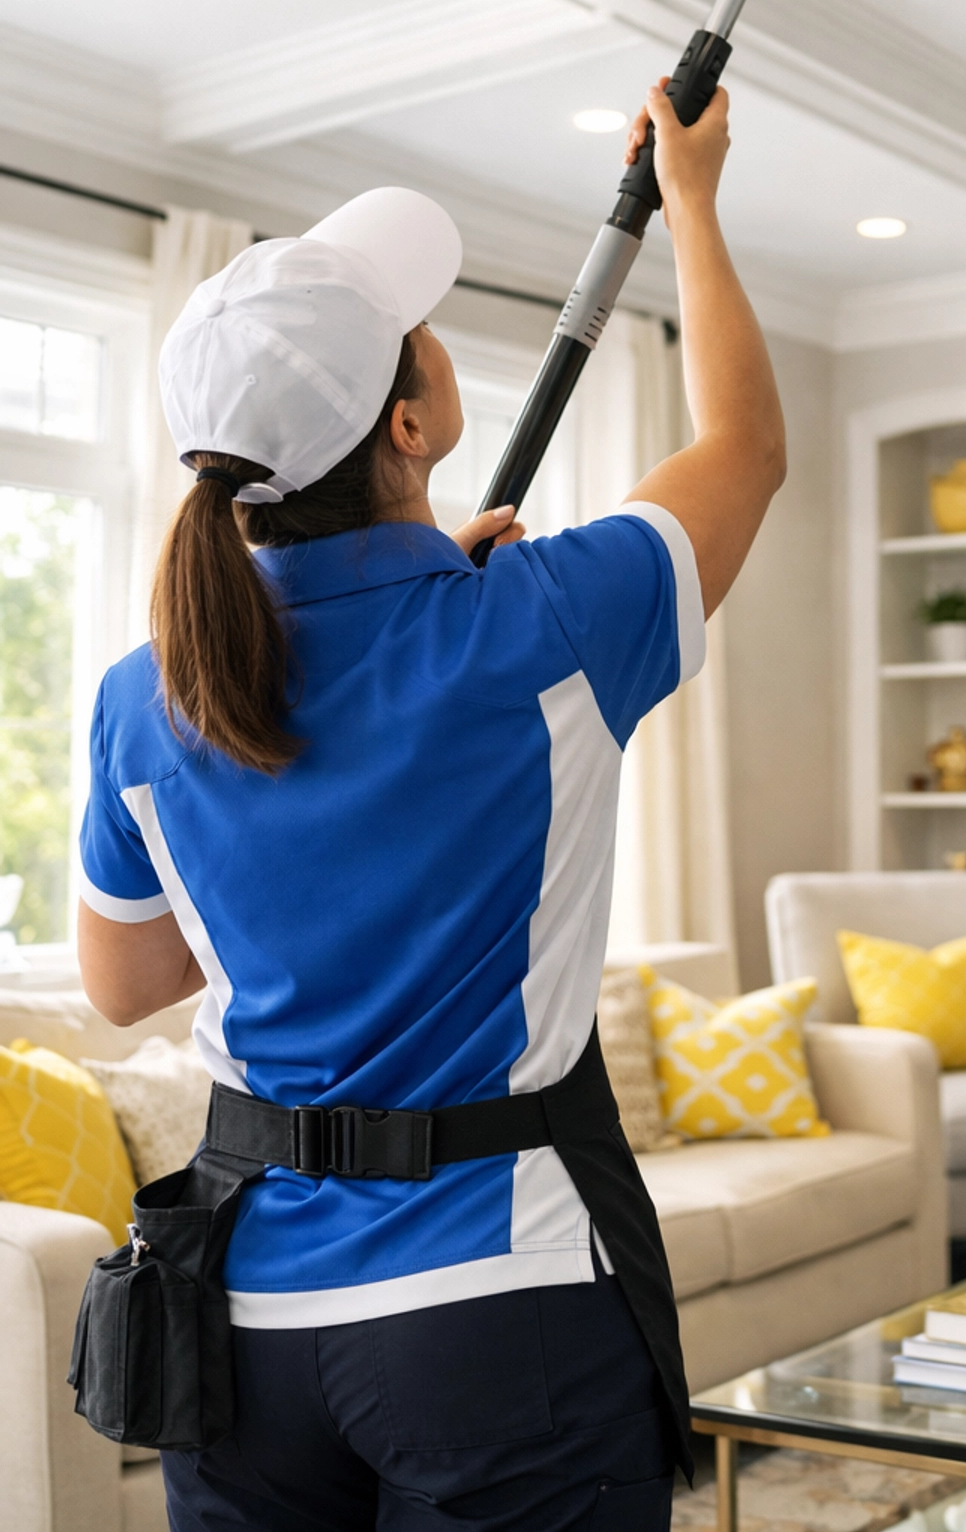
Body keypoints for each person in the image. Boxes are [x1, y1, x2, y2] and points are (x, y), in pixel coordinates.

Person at [76, 81, 785, 1532]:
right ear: (414, 419)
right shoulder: (539, 629)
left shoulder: (146, 693)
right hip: (498, 1312)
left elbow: (128, 981)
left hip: (247, 1337)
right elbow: (746, 452)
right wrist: (696, 202)